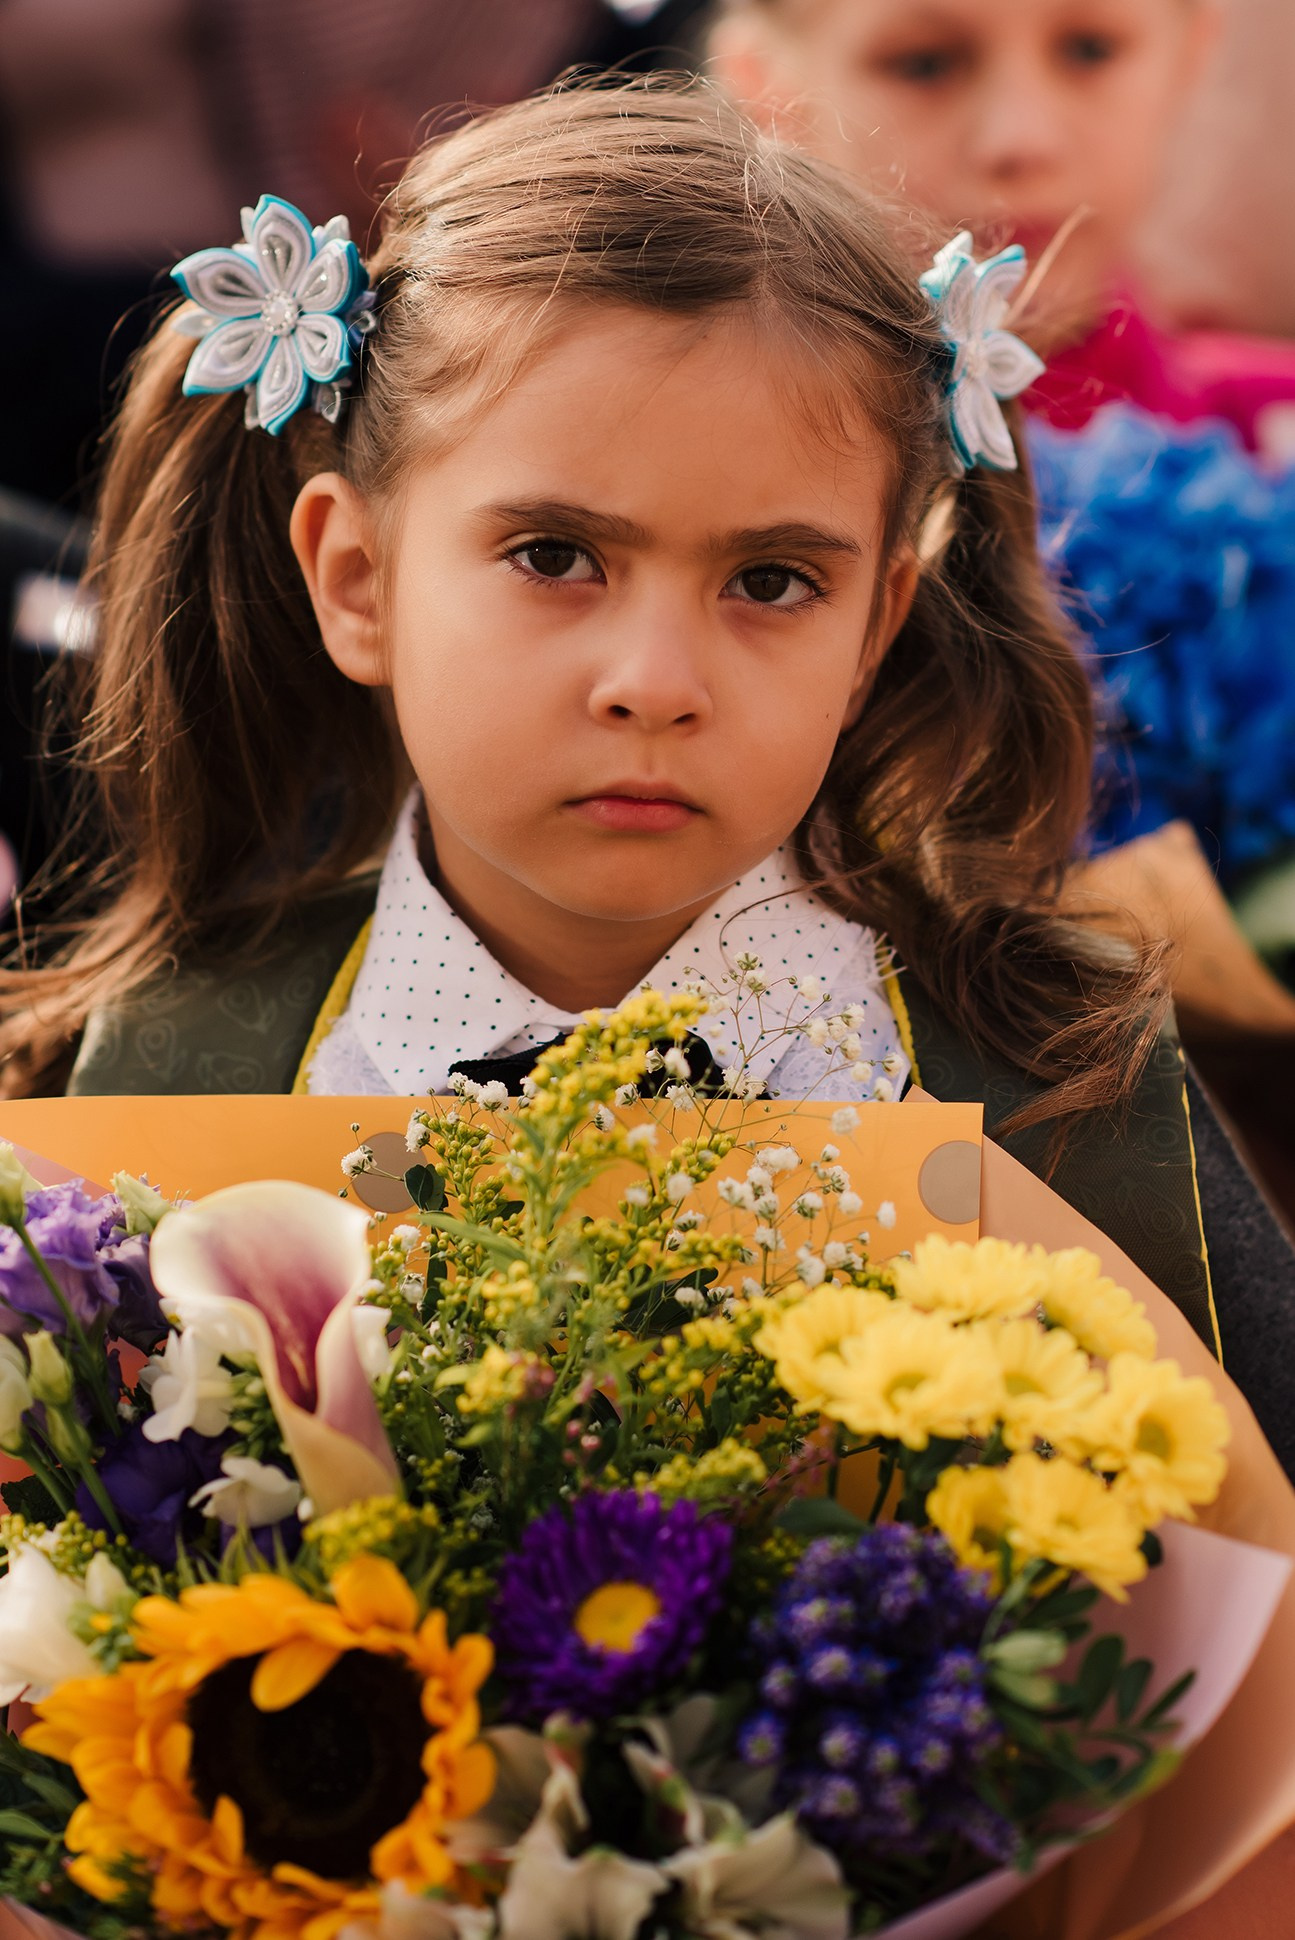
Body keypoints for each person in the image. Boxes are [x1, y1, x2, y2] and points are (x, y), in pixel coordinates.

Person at [0, 80, 1291, 1474]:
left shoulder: (1058, 1079)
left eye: (771, 580)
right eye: (555, 556)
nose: (655, 680)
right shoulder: (177, 1069)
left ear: (876, 626)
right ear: (356, 578)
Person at [707, 0, 1295, 456]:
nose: (1020, 139)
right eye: (925, 63)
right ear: (770, 91)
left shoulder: (1273, 441)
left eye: (1090, 50)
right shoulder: (699, 459)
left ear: (1190, 56)